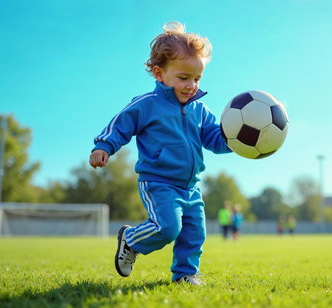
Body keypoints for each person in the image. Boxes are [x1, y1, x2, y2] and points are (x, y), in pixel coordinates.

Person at [89, 22, 232, 286]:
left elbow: (214, 138)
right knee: (167, 228)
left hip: (191, 186)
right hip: (158, 182)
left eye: (197, 78)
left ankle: (185, 275)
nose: (191, 85)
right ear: (159, 73)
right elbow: (120, 124)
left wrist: (234, 139)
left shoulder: (200, 109)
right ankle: (131, 240)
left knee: (194, 233)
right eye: (184, 77)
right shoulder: (147, 105)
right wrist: (104, 145)